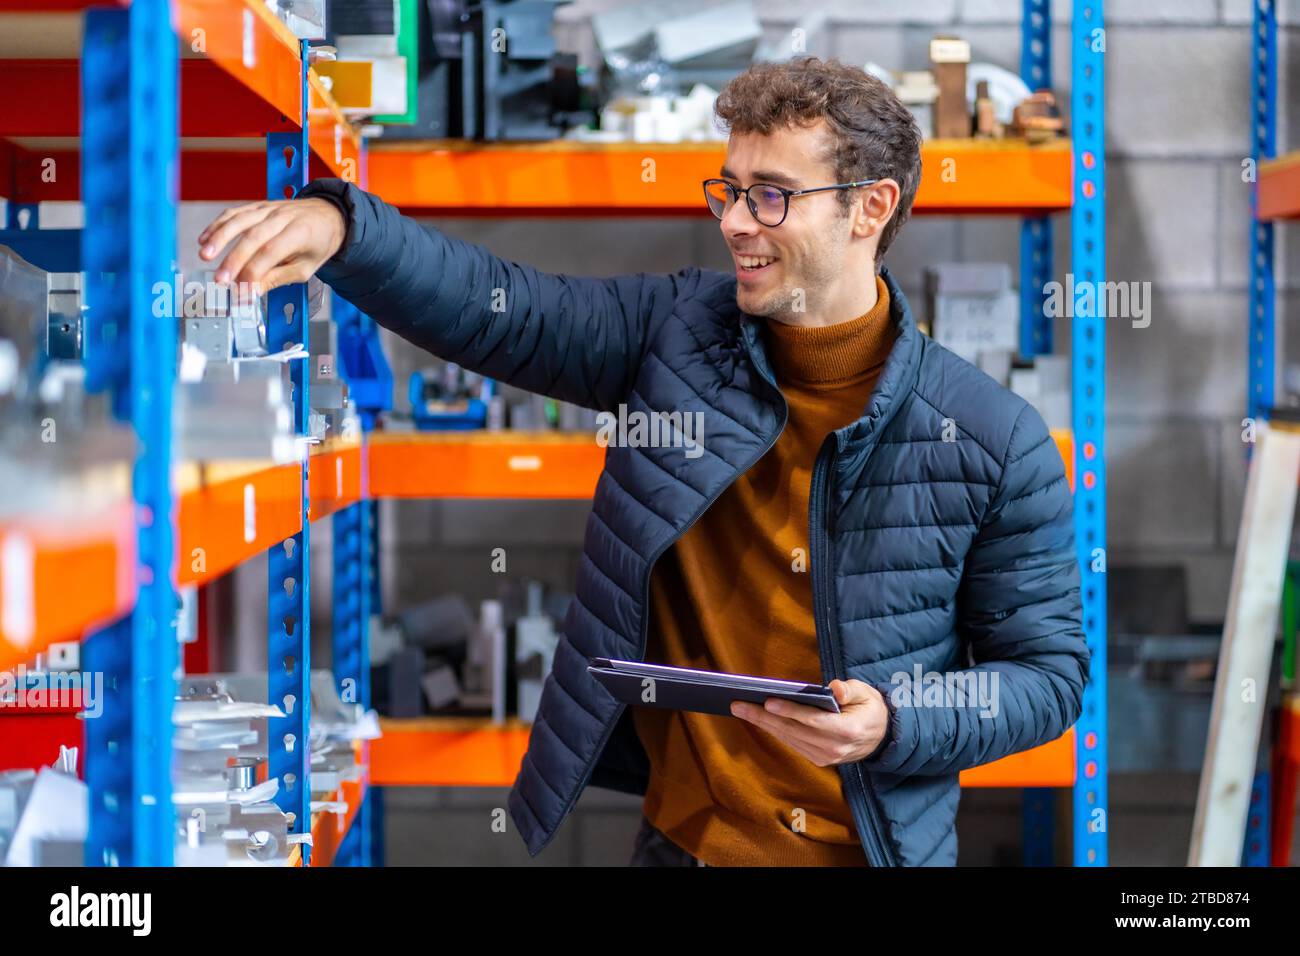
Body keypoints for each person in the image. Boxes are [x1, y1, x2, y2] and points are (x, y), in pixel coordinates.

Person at [197, 57, 1089, 867]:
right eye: (729, 190)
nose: (737, 222)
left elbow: (1047, 679)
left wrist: (898, 717)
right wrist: (345, 230)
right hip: (681, 849)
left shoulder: (991, 438)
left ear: (871, 207)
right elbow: (506, 309)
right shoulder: (677, 335)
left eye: (772, 195)